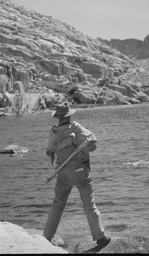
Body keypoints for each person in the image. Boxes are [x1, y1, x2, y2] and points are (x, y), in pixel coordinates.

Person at [43, 102, 111, 249]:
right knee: (89, 204)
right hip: (80, 172)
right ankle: (100, 238)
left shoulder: (53, 131)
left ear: (58, 117)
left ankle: (47, 237)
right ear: (69, 115)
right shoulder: (76, 127)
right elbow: (93, 144)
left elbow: (50, 151)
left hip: (62, 173)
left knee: (57, 205)